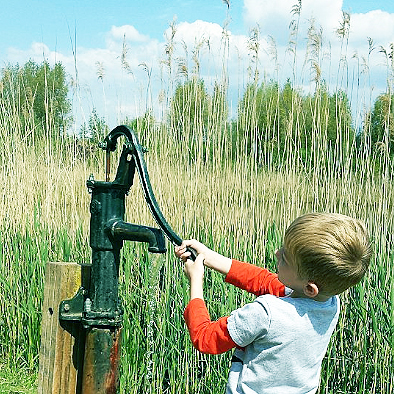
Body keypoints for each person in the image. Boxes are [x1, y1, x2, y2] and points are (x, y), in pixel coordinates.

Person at [175, 212, 371, 394]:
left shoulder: (266, 313)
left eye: (285, 258)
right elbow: (264, 281)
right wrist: (210, 258)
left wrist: (196, 282)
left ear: (310, 288)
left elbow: (206, 338)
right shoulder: (329, 303)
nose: (277, 253)